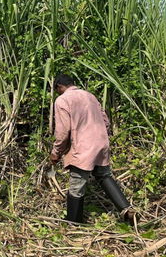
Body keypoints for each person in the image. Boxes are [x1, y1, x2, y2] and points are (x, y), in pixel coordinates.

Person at [50, 74, 135, 223]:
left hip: (82, 148)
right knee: (104, 175)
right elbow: (105, 121)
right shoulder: (90, 96)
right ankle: (127, 209)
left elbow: (63, 132)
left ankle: (73, 224)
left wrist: (56, 152)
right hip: (100, 144)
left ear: (59, 87)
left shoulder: (62, 100)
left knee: (76, 185)